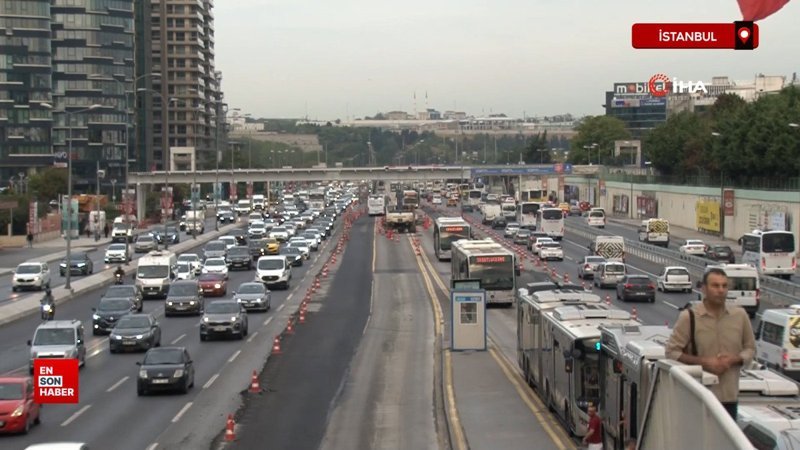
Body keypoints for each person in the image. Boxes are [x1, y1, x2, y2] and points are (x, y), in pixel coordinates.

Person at [666, 268, 755, 420]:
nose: (721, 290)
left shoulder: (739, 316)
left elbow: (750, 349)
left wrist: (733, 360)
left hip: (729, 399)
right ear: (704, 289)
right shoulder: (690, 317)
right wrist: (705, 363)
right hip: (698, 398)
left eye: (724, 286)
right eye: (715, 286)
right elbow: (671, 352)